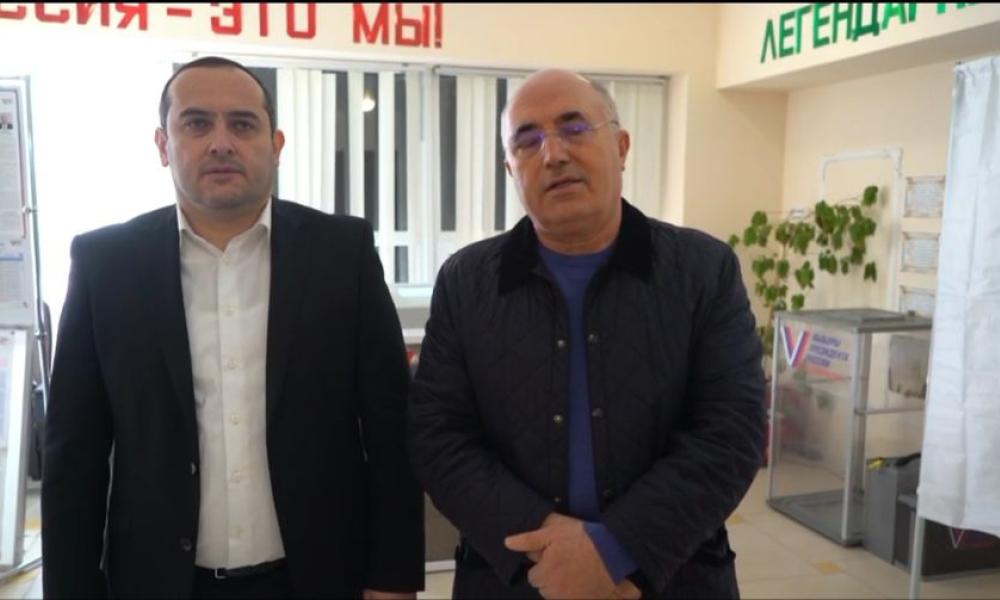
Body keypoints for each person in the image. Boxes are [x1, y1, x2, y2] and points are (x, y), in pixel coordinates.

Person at [42, 56, 424, 599]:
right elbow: (74, 456)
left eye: (242, 124)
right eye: (197, 123)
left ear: (276, 144)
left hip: (318, 577)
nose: (221, 143)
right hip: (159, 584)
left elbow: (391, 430)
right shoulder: (106, 264)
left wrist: (393, 580)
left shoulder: (343, 254)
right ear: (162, 144)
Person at [408, 69, 766, 599]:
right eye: (527, 141)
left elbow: (732, 431)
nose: (553, 154)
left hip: (668, 575)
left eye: (574, 129)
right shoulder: (467, 282)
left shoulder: (701, 270)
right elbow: (439, 436)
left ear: (621, 147)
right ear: (511, 169)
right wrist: (554, 551)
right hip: (514, 576)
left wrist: (614, 552)